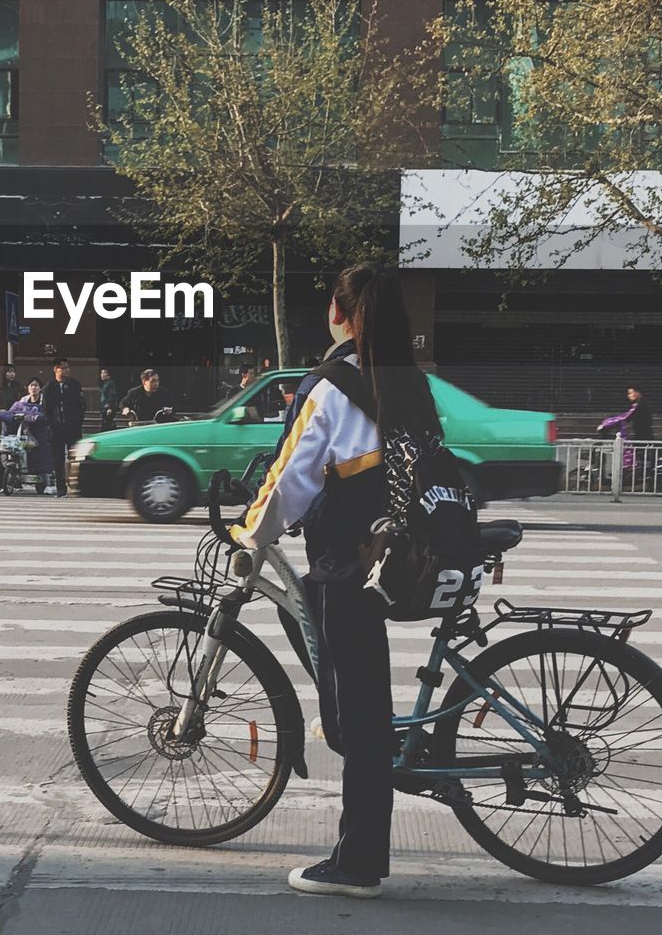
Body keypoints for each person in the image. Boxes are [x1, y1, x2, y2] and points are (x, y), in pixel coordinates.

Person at [231, 265, 441, 900]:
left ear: (337, 313)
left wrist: (250, 536)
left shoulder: (330, 387)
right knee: (359, 708)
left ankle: (359, 862)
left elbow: (291, 473)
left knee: (361, 718)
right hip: (400, 560)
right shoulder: (409, 382)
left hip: (349, 568)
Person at [0, 376, 56, 494]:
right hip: (23, 431)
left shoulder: (44, 401)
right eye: (31, 385)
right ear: (27, 388)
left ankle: (47, 483)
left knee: (41, 455)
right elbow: (11, 412)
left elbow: (47, 415)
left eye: (36, 385)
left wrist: (36, 417)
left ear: (40, 388)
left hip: (39, 433)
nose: (34, 388)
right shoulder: (22, 401)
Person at [41, 356, 85, 497]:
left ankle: (78, 486)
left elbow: (81, 406)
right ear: (55, 370)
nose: (66, 371)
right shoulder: (48, 388)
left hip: (73, 427)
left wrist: (78, 422)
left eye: (67, 368)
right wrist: (51, 425)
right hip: (56, 428)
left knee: (76, 457)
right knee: (58, 459)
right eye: (63, 368)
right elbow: (46, 409)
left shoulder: (75, 385)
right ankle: (61, 488)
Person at [0, 365, 25, 492]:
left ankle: (16, 481)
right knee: (2, 453)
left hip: (16, 424)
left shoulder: (19, 388)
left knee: (17, 452)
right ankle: (0, 481)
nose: (12, 374)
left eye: (13, 372)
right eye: (9, 372)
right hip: (0, 425)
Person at [98, 367, 119, 431]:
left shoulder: (110, 383)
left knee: (108, 424)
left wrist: (109, 407)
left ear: (108, 374)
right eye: (101, 373)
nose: (102, 374)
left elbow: (112, 395)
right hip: (104, 407)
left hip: (108, 407)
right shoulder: (105, 384)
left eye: (104, 373)